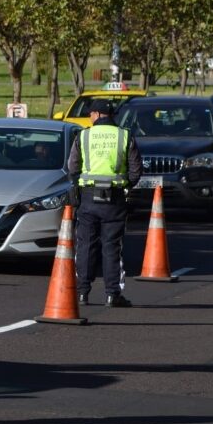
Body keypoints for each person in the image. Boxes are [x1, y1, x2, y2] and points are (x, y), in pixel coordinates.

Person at [67, 99, 142, 308]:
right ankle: (112, 294)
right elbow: (136, 170)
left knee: (86, 245)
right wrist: (125, 184)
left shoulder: (84, 135)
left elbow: (72, 167)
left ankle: (82, 292)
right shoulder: (125, 136)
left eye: (91, 114)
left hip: (88, 198)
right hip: (115, 198)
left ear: (98, 115)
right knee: (112, 247)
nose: (89, 117)